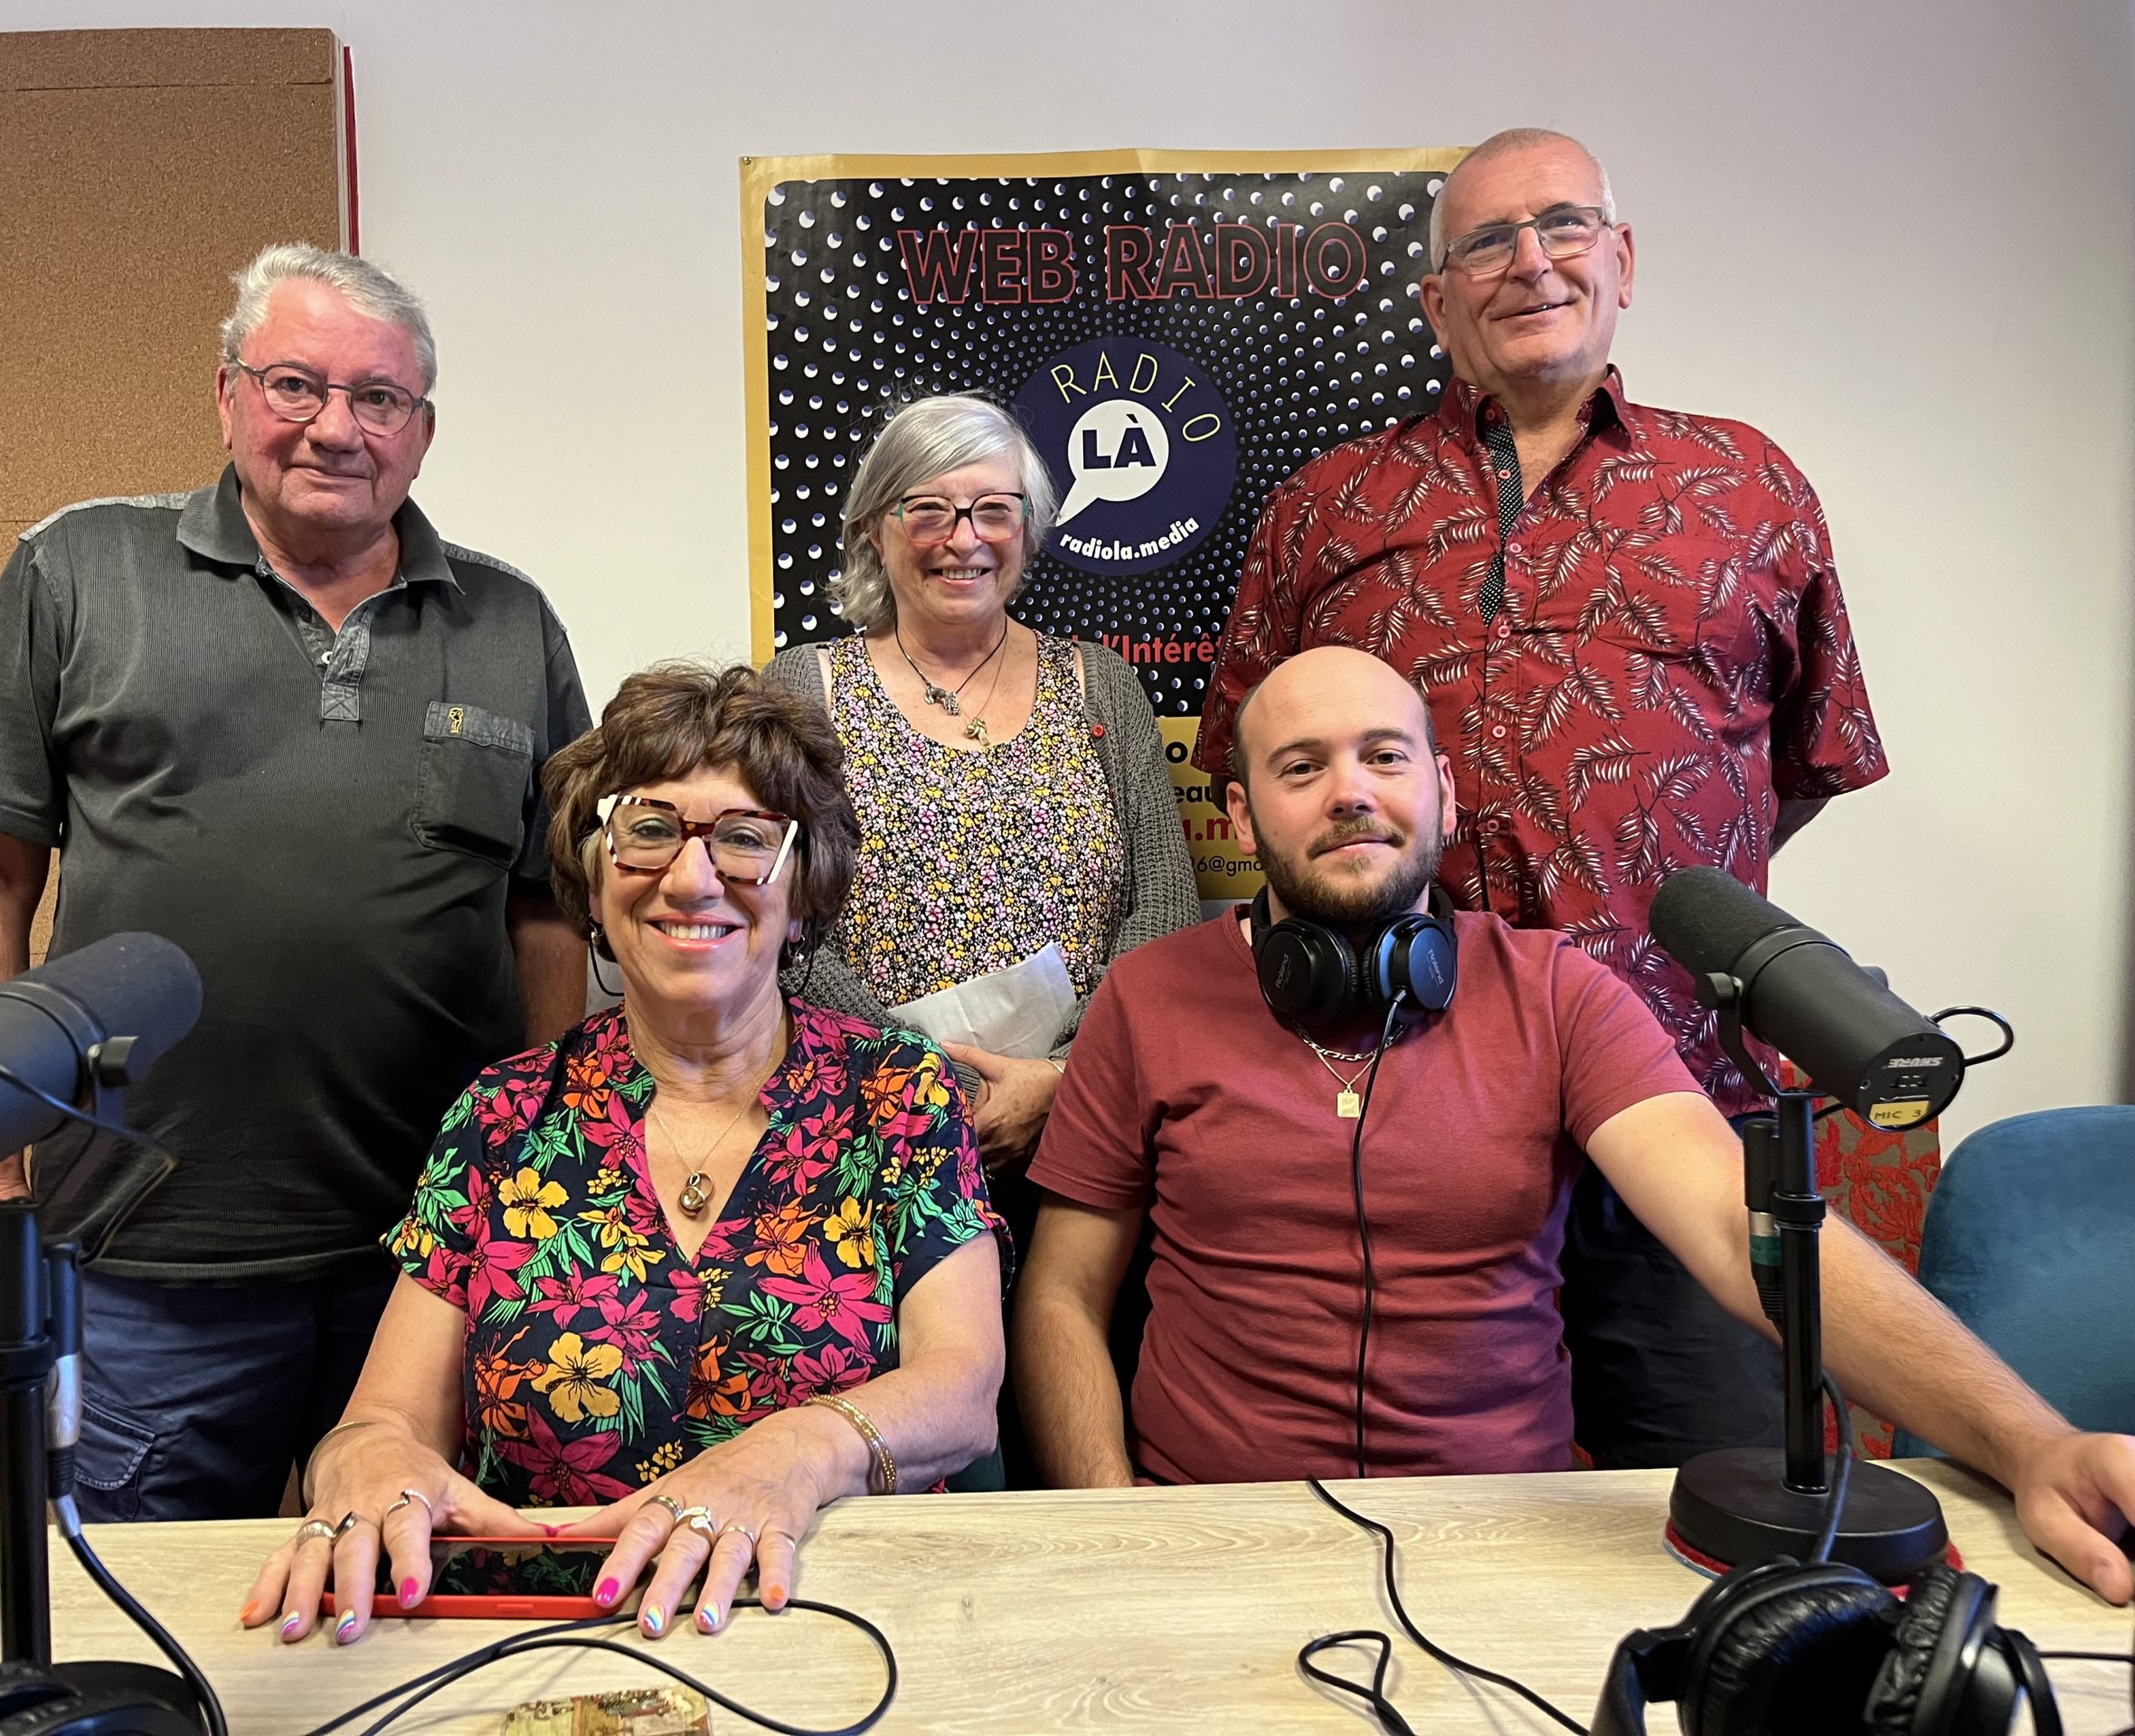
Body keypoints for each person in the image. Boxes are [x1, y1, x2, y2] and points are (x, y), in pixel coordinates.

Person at [1017, 646, 2135, 1607]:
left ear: (1443, 794)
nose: (1348, 791)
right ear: (1242, 811)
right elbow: (1065, 1294)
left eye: (1384, 756)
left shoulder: (1557, 993)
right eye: (1300, 768)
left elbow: (1737, 1225)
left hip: (1508, 1547)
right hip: (1209, 1541)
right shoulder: (1147, 999)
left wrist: (2031, 1443)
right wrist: (1116, 1532)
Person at [1194, 129, 1888, 1470]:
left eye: (1564, 226)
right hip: (1403, 1120)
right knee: (1413, 1531)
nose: (1531, 264)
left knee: (1723, 1516)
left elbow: (1803, 763)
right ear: (1436, 300)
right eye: (1484, 245)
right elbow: (1251, 773)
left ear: (1621, 261)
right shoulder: (1324, 509)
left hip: (1685, 1102)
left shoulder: (1748, 488)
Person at [0, 242, 590, 1520]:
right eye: (296, 385)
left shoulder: (512, 625)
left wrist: (543, 1185)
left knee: (421, 1619)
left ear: (423, 429)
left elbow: (546, 909)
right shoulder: (79, 572)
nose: (336, 428)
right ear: (227, 394)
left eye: (377, 398)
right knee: (141, 1636)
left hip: (435, 1262)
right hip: (140, 1264)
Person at [245, 665, 1006, 1645]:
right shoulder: (504, 1114)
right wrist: (359, 1461)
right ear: (594, 886)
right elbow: (383, 1419)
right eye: (647, 830)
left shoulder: (897, 1091)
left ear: (805, 889)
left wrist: (794, 1452)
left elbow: (964, 1391)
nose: (692, 879)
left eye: (744, 839)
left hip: (830, 1621)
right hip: (541, 1628)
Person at [763, 394, 1195, 1183]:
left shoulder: (1101, 683)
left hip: (1085, 1125)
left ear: (1027, 527)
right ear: (874, 529)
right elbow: (774, 916)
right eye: (928, 510)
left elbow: (1163, 908)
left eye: (994, 510)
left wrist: (1060, 1079)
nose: (964, 540)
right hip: (868, 1133)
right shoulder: (804, 689)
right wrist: (935, 1090)